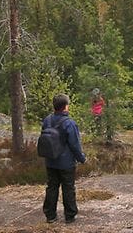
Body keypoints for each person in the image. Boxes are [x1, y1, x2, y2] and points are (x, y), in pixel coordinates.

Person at [42, 94, 87, 224]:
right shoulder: (69, 123)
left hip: (50, 161)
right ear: (66, 107)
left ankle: (50, 215)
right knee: (68, 188)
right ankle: (70, 216)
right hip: (66, 163)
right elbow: (75, 145)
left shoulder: (47, 120)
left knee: (51, 187)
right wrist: (82, 158)